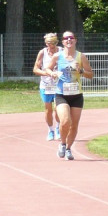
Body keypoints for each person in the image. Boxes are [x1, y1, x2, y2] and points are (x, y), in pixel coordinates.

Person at [44, 31, 94, 160]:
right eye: (66, 38)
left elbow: (90, 75)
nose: (69, 40)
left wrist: (81, 71)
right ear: (63, 41)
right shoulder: (57, 56)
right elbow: (47, 69)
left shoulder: (81, 56)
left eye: (71, 38)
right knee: (65, 120)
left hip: (76, 95)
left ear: (75, 40)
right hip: (61, 94)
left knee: (74, 125)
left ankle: (67, 148)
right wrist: (53, 73)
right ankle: (62, 143)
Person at [32, 32, 61, 139]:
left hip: (59, 84)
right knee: (48, 109)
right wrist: (47, 73)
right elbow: (35, 69)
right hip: (46, 84)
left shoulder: (62, 51)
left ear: (56, 43)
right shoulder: (42, 53)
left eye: (52, 44)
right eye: (48, 43)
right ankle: (50, 130)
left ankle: (58, 128)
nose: (50, 46)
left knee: (58, 108)